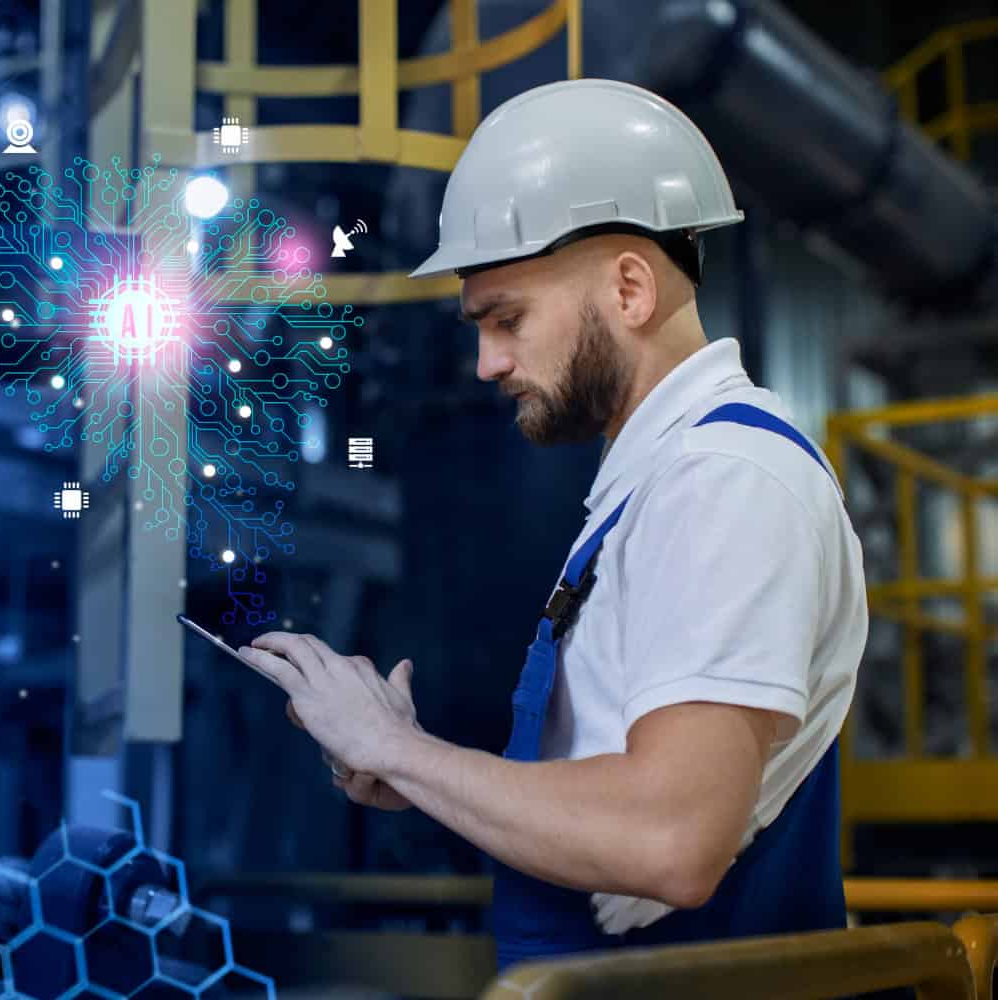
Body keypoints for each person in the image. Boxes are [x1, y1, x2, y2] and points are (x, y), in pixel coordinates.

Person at [236, 78, 868, 972]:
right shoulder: (655, 485)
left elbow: (671, 840)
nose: (488, 362)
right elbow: (618, 799)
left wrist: (398, 747)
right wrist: (419, 776)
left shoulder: (723, 484)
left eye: (508, 319)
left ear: (630, 289)